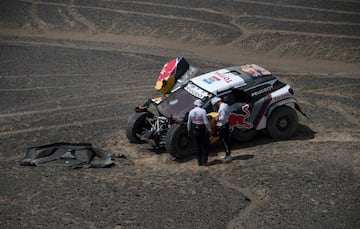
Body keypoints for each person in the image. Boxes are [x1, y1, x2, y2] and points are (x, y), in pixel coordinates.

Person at [187, 99, 212, 166]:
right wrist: (210, 130)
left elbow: (189, 122)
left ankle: (199, 162)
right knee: (205, 145)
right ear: (201, 105)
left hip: (194, 129)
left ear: (195, 105)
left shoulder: (191, 112)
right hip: (202, 129)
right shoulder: (203, 111)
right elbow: (206, 122)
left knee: (197, 146)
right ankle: (205, 161)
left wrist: (189, 130)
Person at [211, 97, 232, 163]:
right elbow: (229, 113)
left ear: (216, 103)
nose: (215, 106)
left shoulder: (222, 108)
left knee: (225, 141)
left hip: (223, 125)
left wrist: (215, 120)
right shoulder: (225, 105)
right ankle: (227, 154)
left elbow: (222, 118)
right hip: (226, 123)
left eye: (215, 105)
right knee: (226, 140)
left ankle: (228, 156)